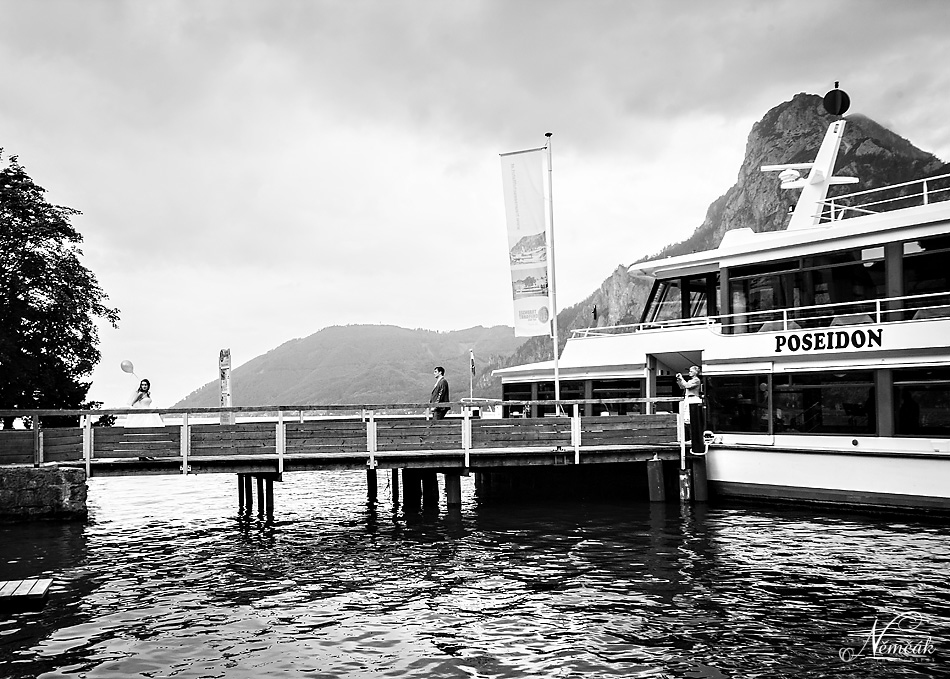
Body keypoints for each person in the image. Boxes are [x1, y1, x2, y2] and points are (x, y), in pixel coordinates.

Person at [675, 365, 705, 453]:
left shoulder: (696, 380)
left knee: (691, 418)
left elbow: (687, 386)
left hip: (693, 399)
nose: (689, 372)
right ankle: (688, 437)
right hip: (688, 399)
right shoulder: (691, 380)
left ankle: (693, 438)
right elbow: (682, 386)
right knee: (685, 418)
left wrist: (681, 378)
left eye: (691, 371)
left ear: (696, 372)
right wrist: (679, 380)